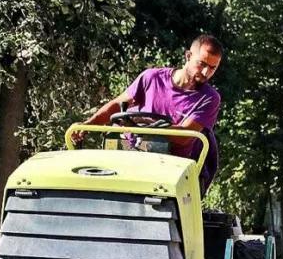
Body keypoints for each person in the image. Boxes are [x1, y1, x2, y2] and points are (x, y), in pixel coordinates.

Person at [75, 34, 223, 195]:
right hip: (128, 157)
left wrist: (143, 123)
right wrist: (87, 125)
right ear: (188, 56)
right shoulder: (152, 78)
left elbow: (184, 136)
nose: (206, 72)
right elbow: (117, 105)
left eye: (212, 68)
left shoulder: (209, 98)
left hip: (171, 170)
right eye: (201, 64)